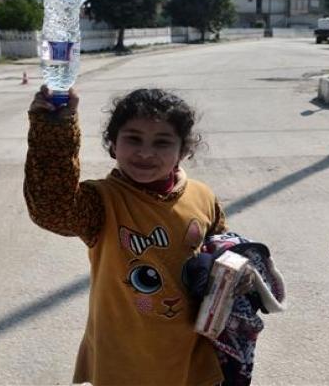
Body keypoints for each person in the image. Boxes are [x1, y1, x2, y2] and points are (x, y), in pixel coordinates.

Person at [24, 86, 229, 385]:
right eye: (133, 139)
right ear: (112, 144)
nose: (145, 152)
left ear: (183, 151)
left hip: (191, 356)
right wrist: (53, 129)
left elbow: (222, 252)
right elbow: (51, 208)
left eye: (162, 142)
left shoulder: (202, 196)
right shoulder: (101, 202)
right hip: (124, 360)